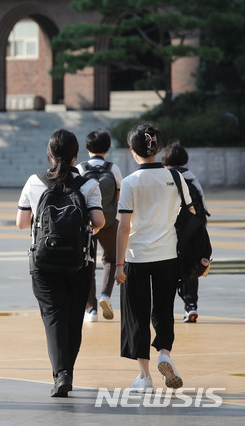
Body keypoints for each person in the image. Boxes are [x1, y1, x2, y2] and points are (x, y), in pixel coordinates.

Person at [16, 129, 105, 397]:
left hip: (43, 262)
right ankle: (67, 371)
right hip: (80, 261)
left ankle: (61, 374)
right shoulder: (89, 185)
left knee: (54, 317)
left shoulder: (34, 181)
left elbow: (21, 223)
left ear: (49, 155)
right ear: (76, 156)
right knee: (73, 318)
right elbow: (99, 221)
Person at [115, 123, 194, 393]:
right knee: (163, 309)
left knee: (136, 315)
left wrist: (118, 264)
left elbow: (123, 227)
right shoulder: (176, 177)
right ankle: (164, 353)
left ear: (132, 150)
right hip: (168, 254)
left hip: (136, 256)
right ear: (157, 148)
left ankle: (144, 376)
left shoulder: (130, 182)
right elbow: (190, 214)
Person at [76, 129, 123, 322]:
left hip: (86, 224)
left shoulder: (80, 168)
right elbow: (119, 195)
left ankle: (91, 310)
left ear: (87, 148)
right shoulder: (113, 169)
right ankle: (106, 295)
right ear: (107, 148)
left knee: (87, 263)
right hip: (109, 222)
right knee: (111, 259)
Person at [161, 141, 209, 323]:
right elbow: (202, 208)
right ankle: (191, 307)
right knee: (190, 268)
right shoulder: (191, 179)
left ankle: (164, 309)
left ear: (165, 160)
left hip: (170, 232)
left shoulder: (165, 177)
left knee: (167, 270)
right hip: (192, 233)